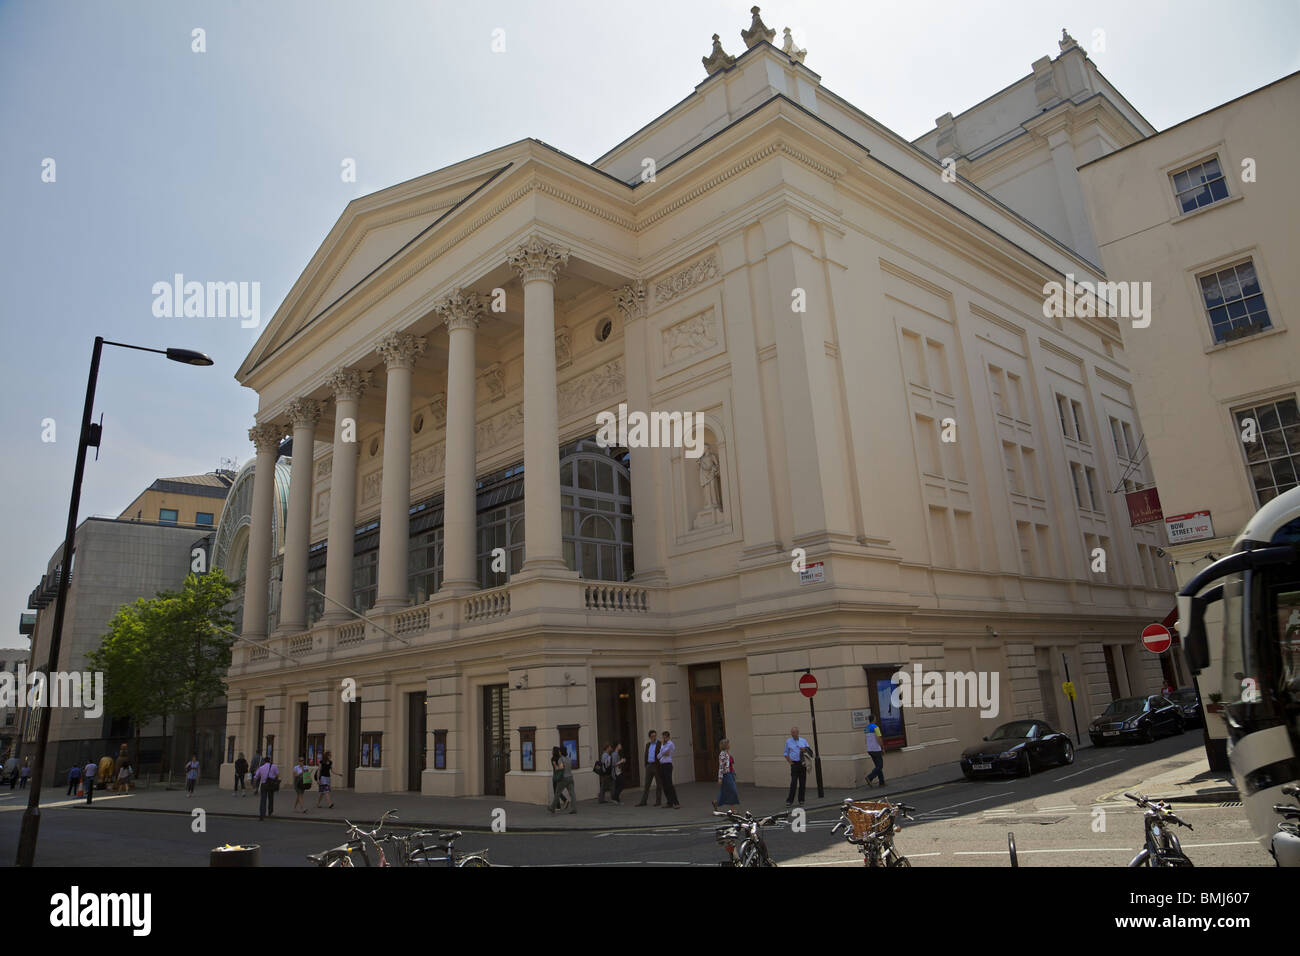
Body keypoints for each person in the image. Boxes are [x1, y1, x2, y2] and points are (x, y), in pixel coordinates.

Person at [784, 726, 811, 807]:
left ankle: (801, 800)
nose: (793, 734)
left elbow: (809, 751)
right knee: (793, 783)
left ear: (798, 732)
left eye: (794, 732)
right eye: (792, 732)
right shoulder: (788, 741)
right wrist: (790, 762)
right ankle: (789, 801)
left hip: (802, 764)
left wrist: (804, 749)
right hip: (794, 764)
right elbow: (786, 753)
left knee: (802, 783)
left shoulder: (803, 740)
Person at [636, 730, 661, 806]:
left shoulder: (659, 744)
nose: (654, 737)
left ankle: (658, 801)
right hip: (649, 766)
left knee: (659, 784)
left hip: (656, 766)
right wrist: (646, 765)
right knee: (647, 784)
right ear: (650, 737)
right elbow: (645, 755)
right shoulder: (648, 745)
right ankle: (643, 801)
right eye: (652, 736)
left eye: (655, 736)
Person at [713, 738, 740, 811]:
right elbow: (721, 766)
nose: (730, 745)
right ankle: (732, 809)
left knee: (724, 791)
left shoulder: (727, 753)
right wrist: (720, 778)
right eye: (728, 743)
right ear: (726, 745)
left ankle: (716, 802)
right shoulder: (722, 754)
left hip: (730, 774)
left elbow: (729, 765)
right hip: (726, 775)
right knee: (732, 790)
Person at [549, 746, 576, 814]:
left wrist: (556, 767)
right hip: (570, 777)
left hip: (563, 778)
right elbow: (570, 767)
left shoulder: (561, 759)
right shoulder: (569, 759)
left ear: (561, 752)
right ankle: (574, 808)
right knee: (572, 794)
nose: (559, 752)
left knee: (557, 793)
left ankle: (552, 807)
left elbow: (560, 768)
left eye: (559, 751)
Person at [657, 730, 680, 809]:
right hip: (662, 765)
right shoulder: (662, 744)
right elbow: (659, 755)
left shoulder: (670, 744)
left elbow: (666, 753)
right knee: (664, 784)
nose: (663, 739)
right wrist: (662, 753)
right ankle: (669, 802)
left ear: (668, 737)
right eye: (663, 737)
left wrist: (662, 753)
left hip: (667, 765)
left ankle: (676, 802)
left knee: (669, 784)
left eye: (665, 737)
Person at [254, 754, 279, 820]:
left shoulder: (261, 767)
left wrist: (254, 786)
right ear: (270, 760)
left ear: (264, 761)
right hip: (271, 784)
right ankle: (270, 812)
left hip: (264, 785)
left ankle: (262, 814)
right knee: (271, 798)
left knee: (263, 800)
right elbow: (277, 775)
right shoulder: (274, 766)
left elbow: (256, 777)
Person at [864, 713, 886, 787]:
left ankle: (882, 782)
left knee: (877, 766)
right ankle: (869, 777)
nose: (876, 719)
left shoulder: (866, 728)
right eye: (875, 718)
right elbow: (879, 738)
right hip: (876, 749)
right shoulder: (875, 727)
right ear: (873, 719)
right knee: (880, 766)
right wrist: (882, 747)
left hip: (870, 749)